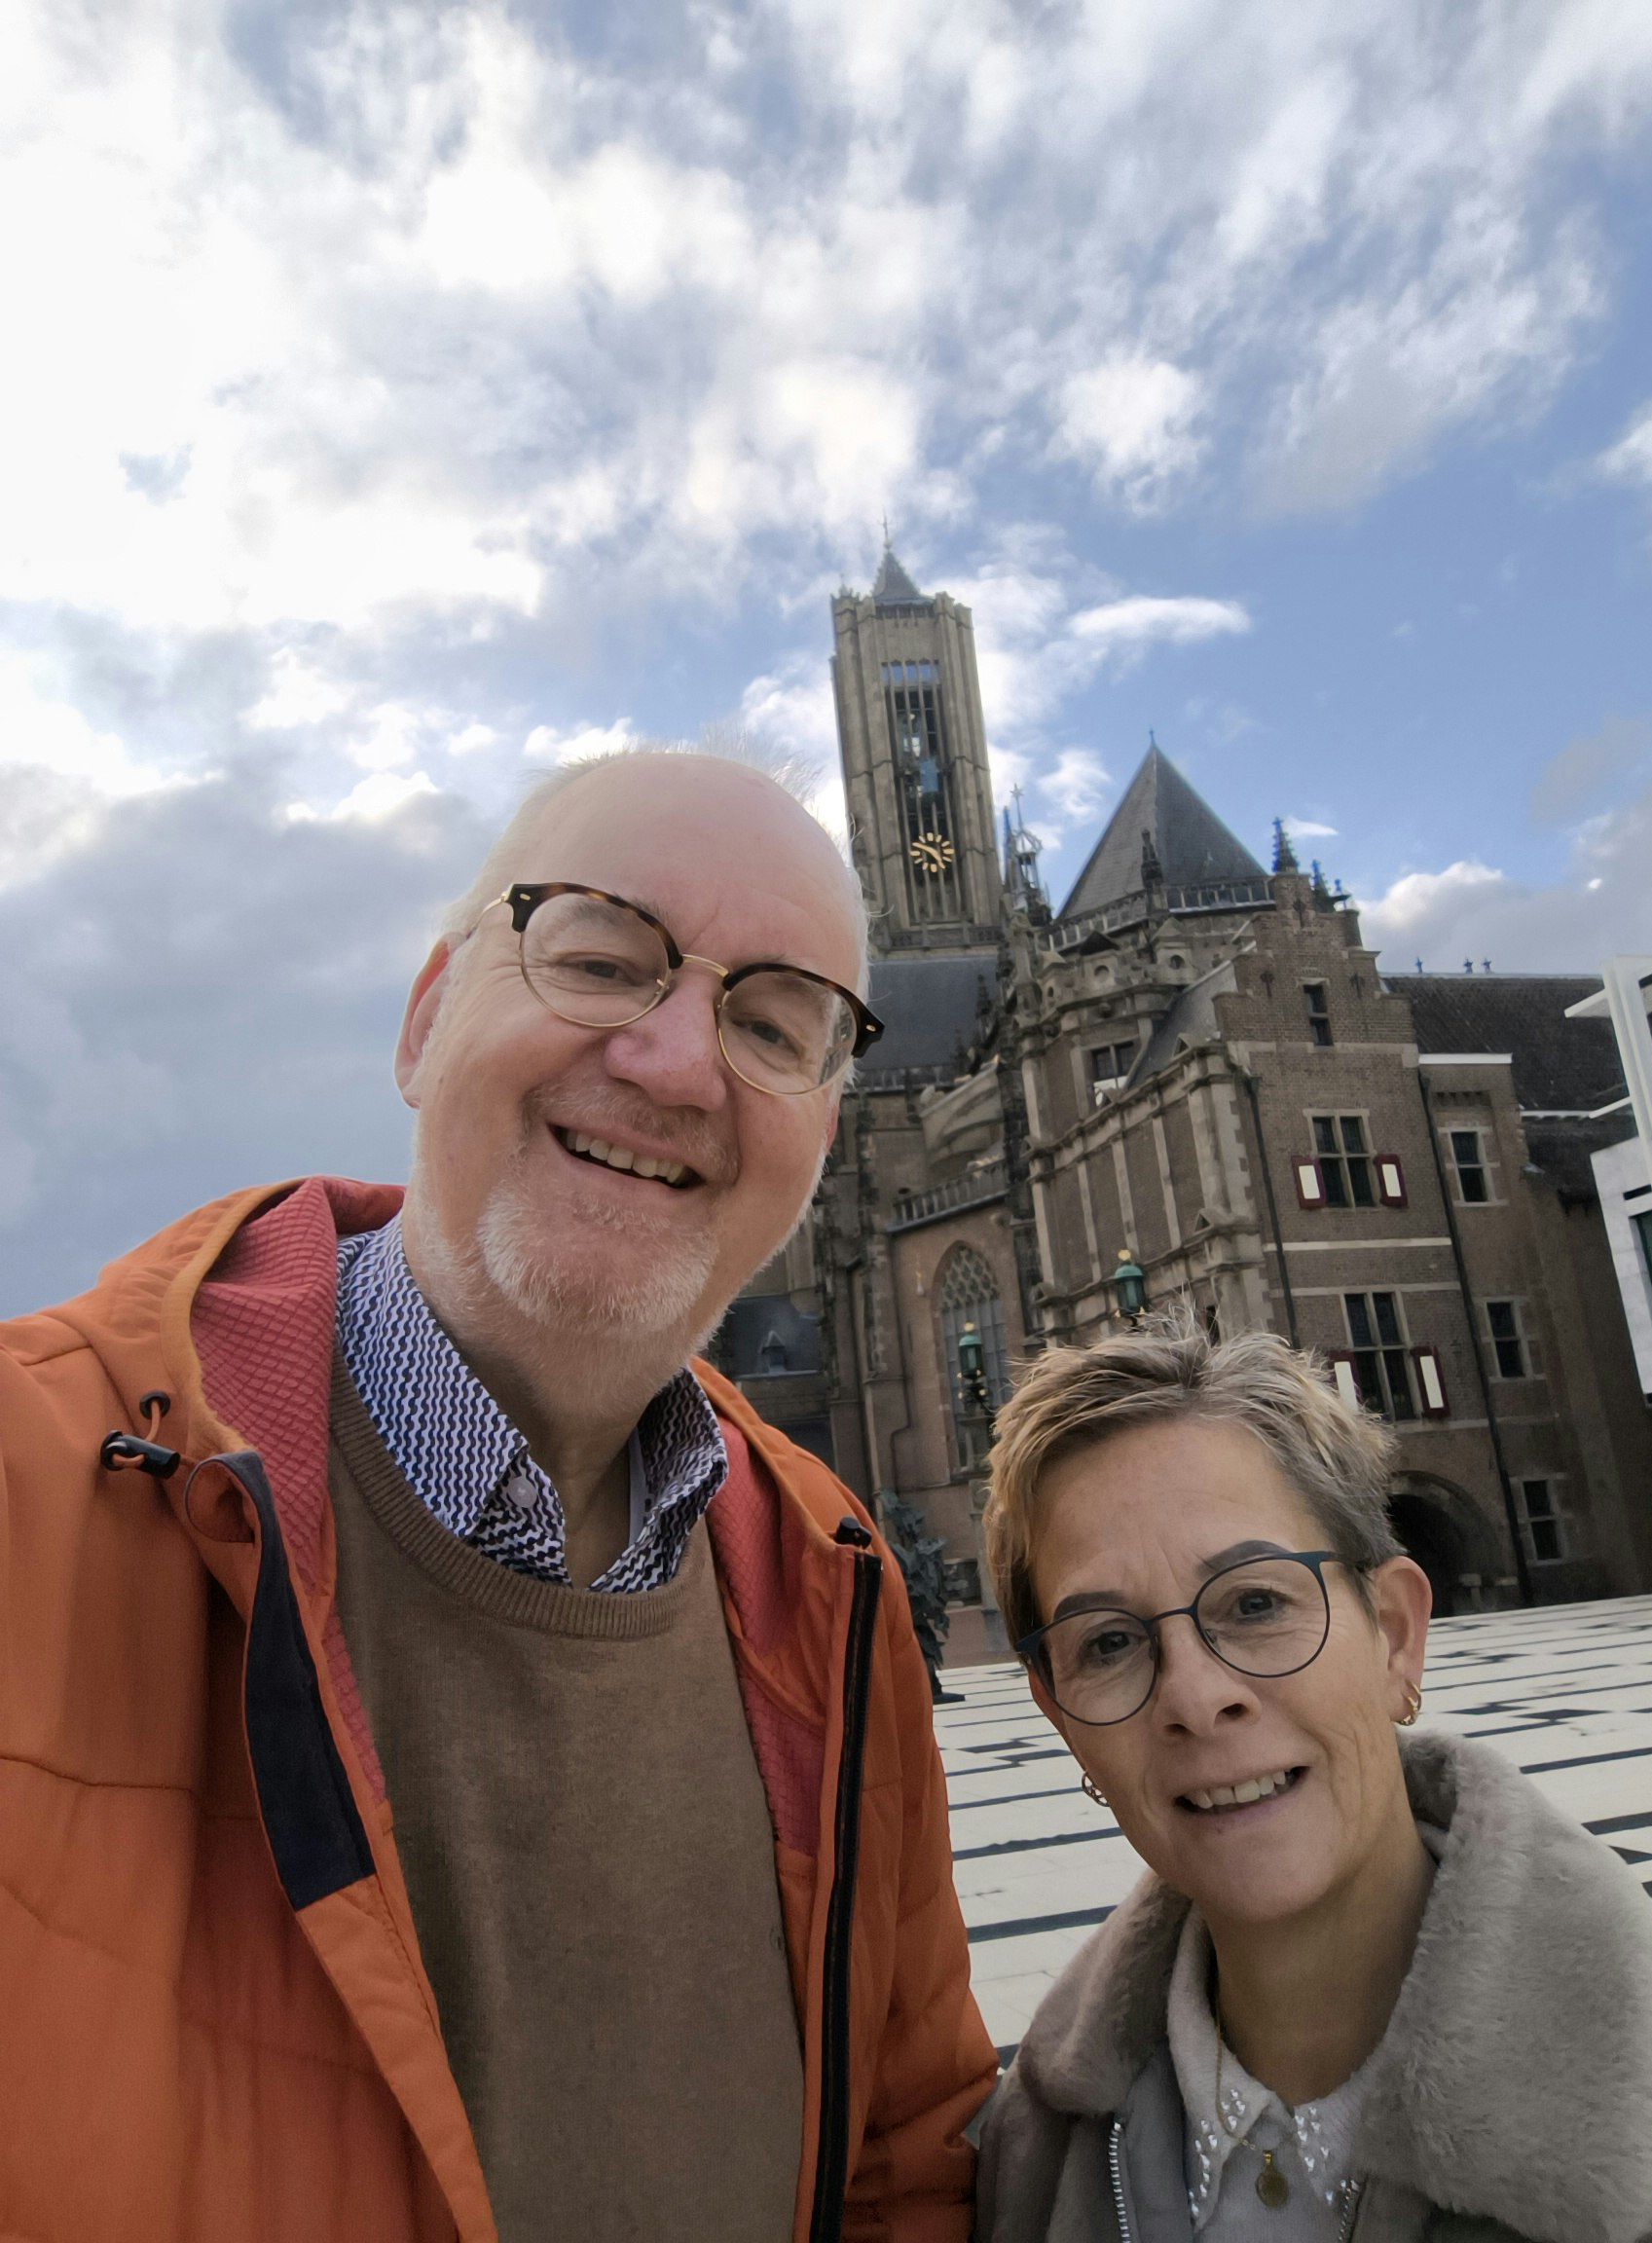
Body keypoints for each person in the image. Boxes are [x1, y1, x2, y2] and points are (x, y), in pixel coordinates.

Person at [0, 749, 995, 2243]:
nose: (673, 1063)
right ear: (423, 1019)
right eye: (600, 958)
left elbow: (904, 2165)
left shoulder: (839, 1591)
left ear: (823, 1143)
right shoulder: (28, 1489)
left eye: (775, 1022)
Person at [974, 1314, 1652, 2243]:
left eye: (1256, 1602)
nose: (1195, 1696)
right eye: (1108, 1643)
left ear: (1393, 1634)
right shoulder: (1025, 2156)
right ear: (1061, 1716)